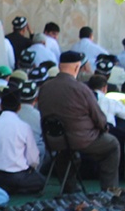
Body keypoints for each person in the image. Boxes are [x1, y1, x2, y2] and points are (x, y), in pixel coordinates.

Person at [38, 51, 121, 191]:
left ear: (59, 66)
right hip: (81, 140)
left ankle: (69, 187)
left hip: (53, 139)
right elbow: (98, 117)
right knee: (112, 145)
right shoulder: (81, 89)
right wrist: (103, 128)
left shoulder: (45, 87)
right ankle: (109, 191)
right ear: (77, 68)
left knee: (65, 151)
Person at [0, 90, 46, 195]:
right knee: (40, 181)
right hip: (16, 177)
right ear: (19, 107)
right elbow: (33, 159)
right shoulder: (24, 127)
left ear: (1, 106)